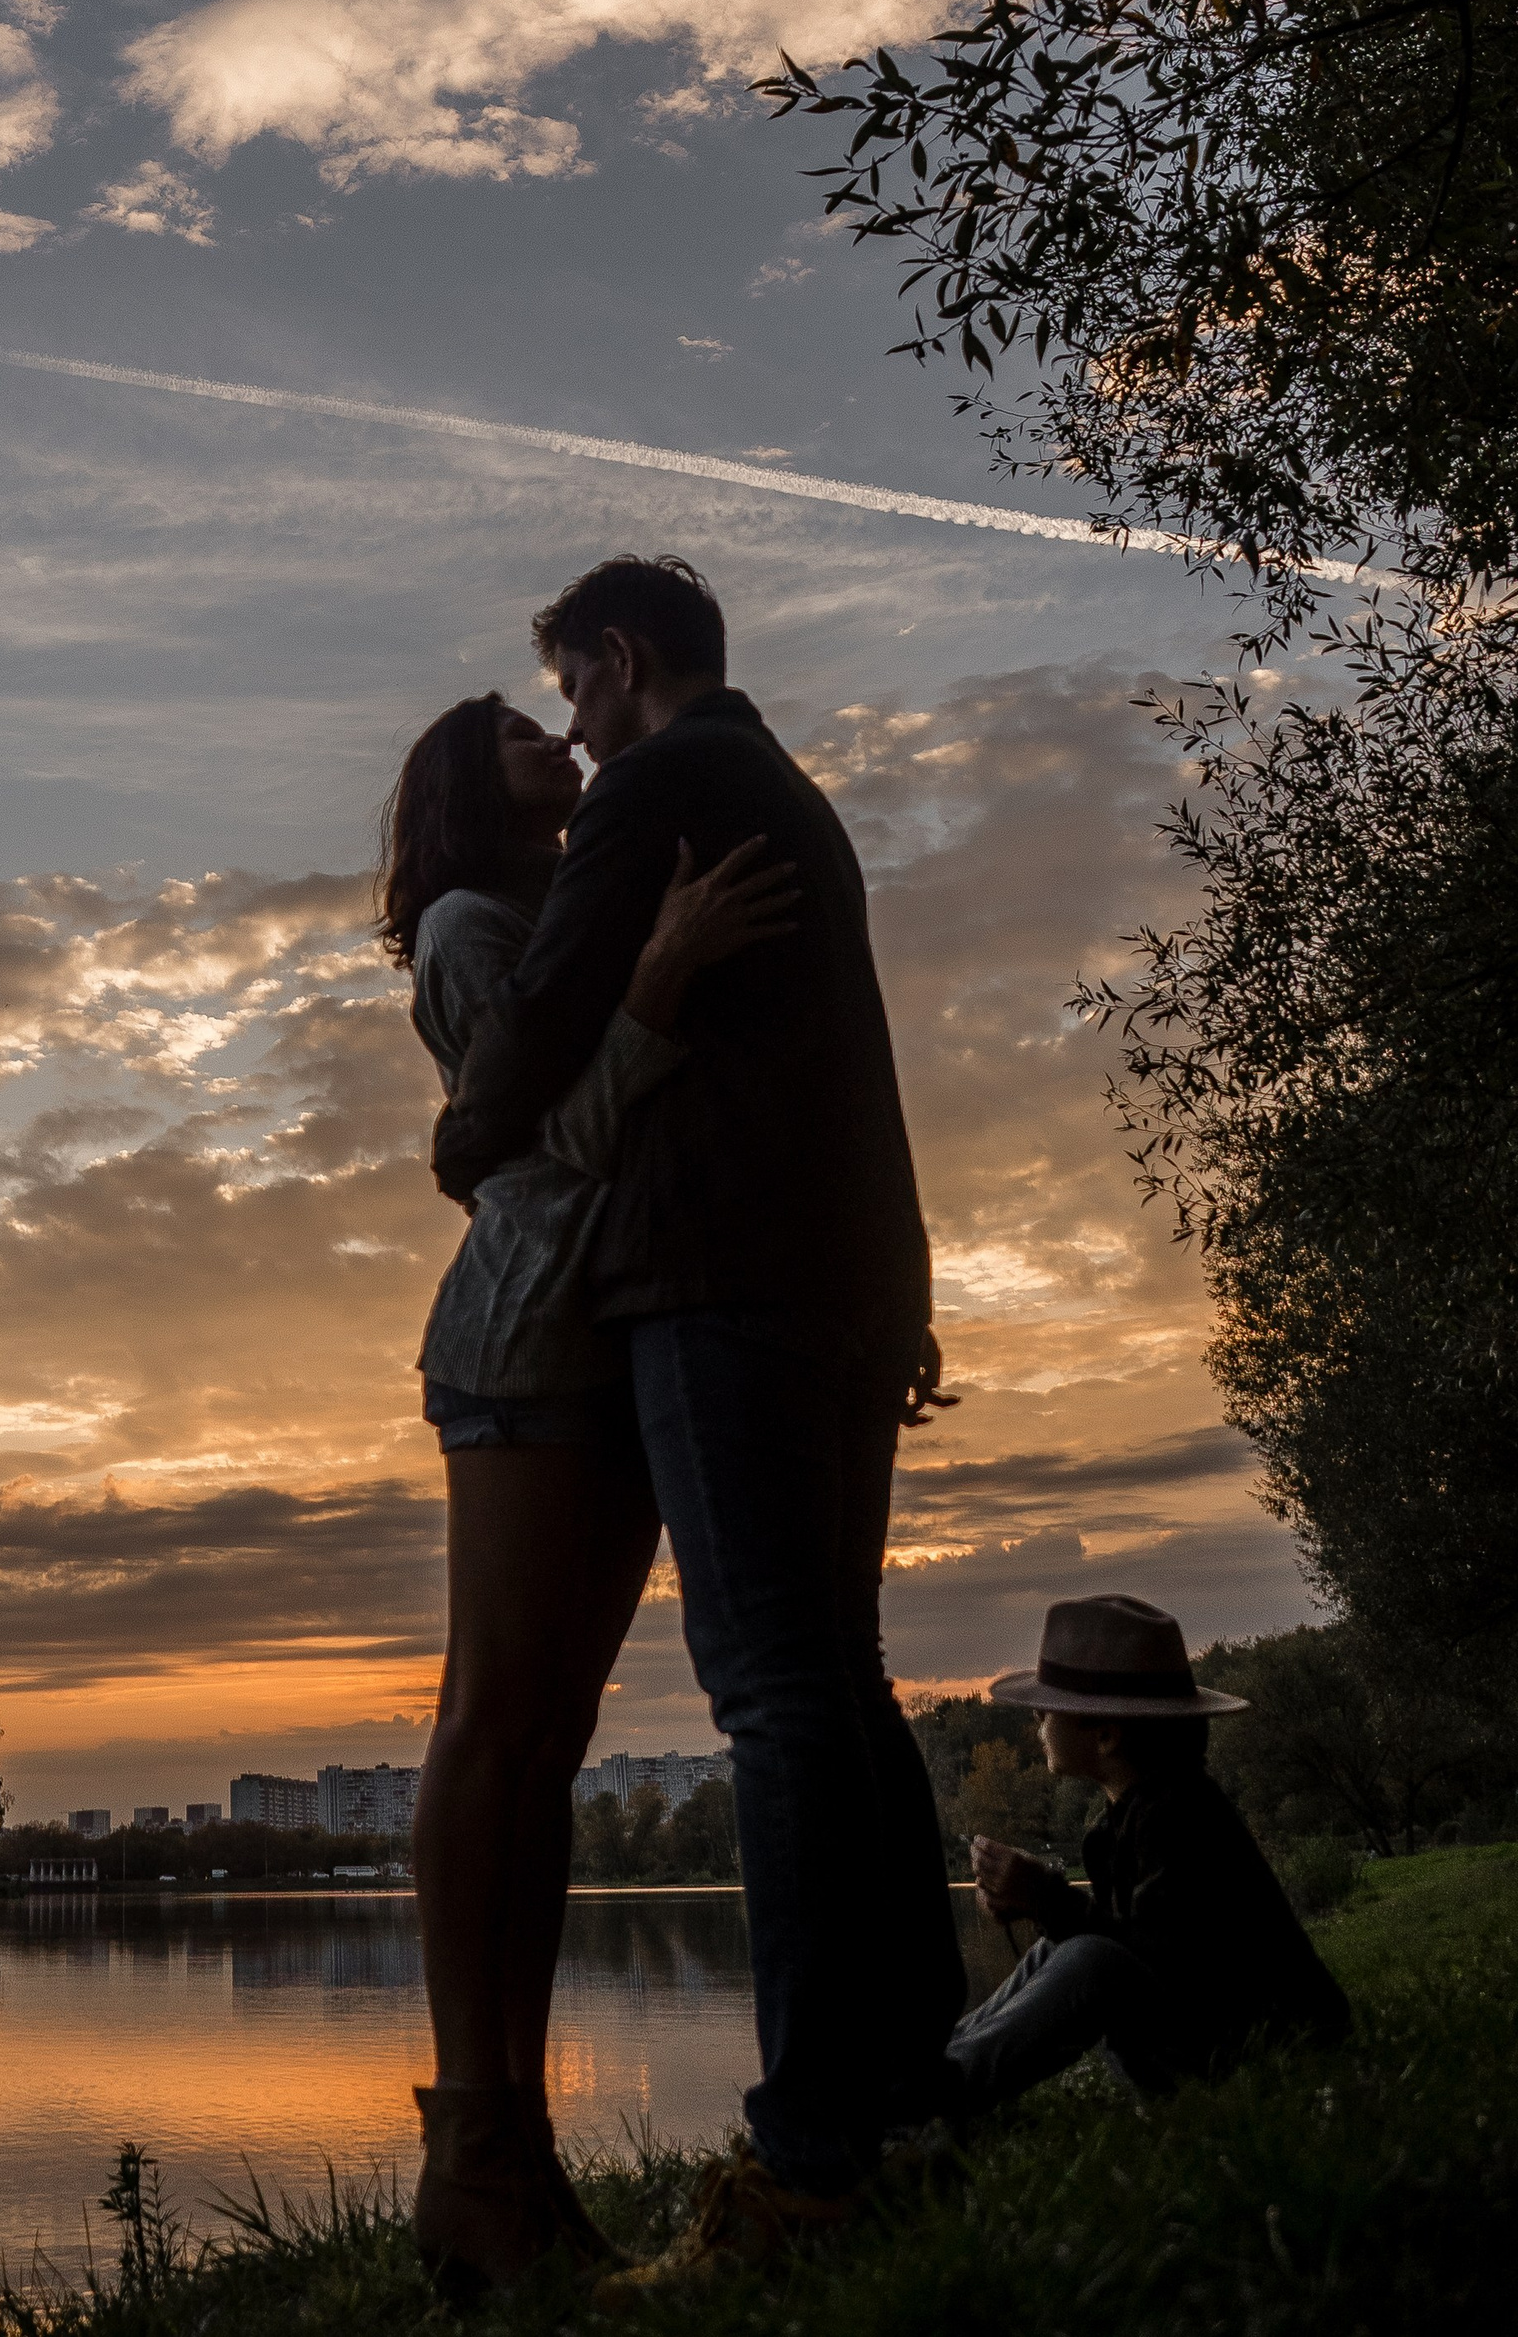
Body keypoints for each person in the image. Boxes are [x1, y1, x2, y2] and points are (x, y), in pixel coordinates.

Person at [432, 555, 965, 2272]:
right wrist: (905, 1288)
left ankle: (809, 2153)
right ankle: (899, 2099)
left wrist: (460, 1139)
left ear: (622, 658)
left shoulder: (662, 783)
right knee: (834, 1677)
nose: (570, 736)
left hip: (720, 1286)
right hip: (813, 1283)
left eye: (566, 693)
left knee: (776, 1690)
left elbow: (507, 1092)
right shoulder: (784, 789)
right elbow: (844, 1062)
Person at [380, 686, 801, 2296]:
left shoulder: (564, 903)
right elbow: (529, 1145)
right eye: (515, 734)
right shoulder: (473, 922)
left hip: (605, 1338)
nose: (556, 742)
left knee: (548, 1748)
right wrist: (668, 972)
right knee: (493, 1725)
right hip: (521, 1343)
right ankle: (472, 2159)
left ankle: (518, 2168)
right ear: (458, 786)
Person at [954, 1593, 1350, 2113]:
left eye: (1047, 1711)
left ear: (1106, 1735)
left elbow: (1154, 1963)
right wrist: (1035, 1903)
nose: (1038, 1723)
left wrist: (1044, 1894)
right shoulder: (1139, 1812)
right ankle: (935, 2070)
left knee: (1088, 1957)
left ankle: (938, 2097)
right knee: (1061, 1949)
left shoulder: (1179, 1817)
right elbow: (1138, 1943)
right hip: (1208, 2039)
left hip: (1256, 2050)